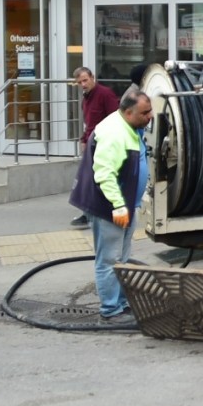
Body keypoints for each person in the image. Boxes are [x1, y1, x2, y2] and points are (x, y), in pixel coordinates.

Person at [68, 88, 154, 324]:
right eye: (145, 113)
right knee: (109, 260)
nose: (150, 117)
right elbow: (105, 174)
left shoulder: (130, 128)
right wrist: (118, 206)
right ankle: (110, 310)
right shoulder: (115, 134)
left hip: (124, 206)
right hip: (109, 208)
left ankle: (121, 303)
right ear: (128, 112)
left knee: (121, 258)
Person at [70, 66, 120, 228]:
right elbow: (89, 123)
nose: (83, 84)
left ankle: (95, 213)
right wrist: (84, 139)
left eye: (85, 80)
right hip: (93, 142)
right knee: (89, 180)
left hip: (104, 143)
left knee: (97, 180)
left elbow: (115, 118)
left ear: (92, 78)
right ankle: (89, 213)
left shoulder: (105, 94)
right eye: (80, 82)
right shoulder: (87, 98)